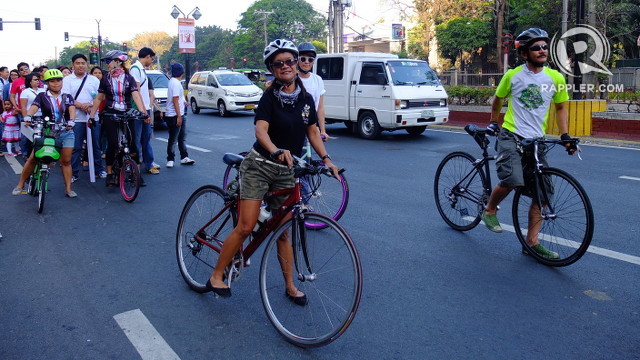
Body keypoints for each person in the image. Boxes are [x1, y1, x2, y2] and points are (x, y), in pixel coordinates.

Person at [206, 39, 339, 303]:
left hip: (287, 168)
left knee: (283, 231)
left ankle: (290, 286)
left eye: (290, 61)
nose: (286, 66)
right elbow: (260, 130)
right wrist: (276, 149)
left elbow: (312, 130)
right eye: (279, 64)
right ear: (272, 69)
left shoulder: (305, 97)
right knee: (246, 226)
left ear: (297, 62)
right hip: (260, 166)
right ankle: (216, 275)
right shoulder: (269, 97)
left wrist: (327, 160)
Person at [482, 28, 577, 259]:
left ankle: (531, 243)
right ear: (525, 53)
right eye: (536, 47)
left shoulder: (555, 77)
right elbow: (498, 100)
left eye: (544, 46)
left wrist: (565, 135)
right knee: (512, 179)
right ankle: (490, 209)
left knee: (543, 193)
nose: (542, 50)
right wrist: (494, 122)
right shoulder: (513, 75)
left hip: (536, 141)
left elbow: (561, 107)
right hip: (511, 135)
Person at [13, 69, 77, 197]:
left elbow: (72, 110)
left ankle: (68, 189)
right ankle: (20, 185)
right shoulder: (42, 96)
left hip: (65, 131)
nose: (56, 84)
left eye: (58, 80)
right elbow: (33, 108)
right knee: (33, 158)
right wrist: (28, 116)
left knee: (66, 161)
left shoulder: (67, 96)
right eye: (52, 81)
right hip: (46, 131)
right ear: (47, 83)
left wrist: (71, 121)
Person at [88, 50, 148, 187]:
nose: (107, 65)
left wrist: (142, 112)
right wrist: (92, 116)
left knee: (133, 145)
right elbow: (99, 98)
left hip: (126, 112)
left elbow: (136, 95)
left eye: (109, 61)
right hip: (110, 113)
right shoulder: (105, 79)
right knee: (113, 143)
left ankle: (137, 174)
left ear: (118, 62)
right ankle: (110, 173)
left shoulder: (129, 78)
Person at [63, 54, 106, 182]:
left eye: (83, 63)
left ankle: (99, 170)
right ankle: (74, 172)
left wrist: (91, 104)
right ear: (73, 65)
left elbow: (101, 97)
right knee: (76, 147)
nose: (80, 65)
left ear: (87, 65)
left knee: (95, 145)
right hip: (76, 119)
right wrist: (81, 106)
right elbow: (66, 97)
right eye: (77, 63)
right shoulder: (67, 80)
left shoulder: (94, 80)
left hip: (93, 117)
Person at [130, 47, 160, 175]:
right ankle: (134, 165)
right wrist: (143, 112)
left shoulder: (142, 70)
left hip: (145, 108)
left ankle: (149, 163)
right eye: (151, 59)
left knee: (146, 138)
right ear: (147, 56)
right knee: (136, 140)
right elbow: (136, 93)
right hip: (139, 111)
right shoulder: (135, 69)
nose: (151, 62)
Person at [164, 63, 195, 167]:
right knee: (174, 138)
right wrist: (178, 116)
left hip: (176, 113)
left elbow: (178, 97)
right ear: (182, 72)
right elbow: (175, 100)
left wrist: (184, 102)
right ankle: (170, 159)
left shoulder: (172, 81)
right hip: (174, 115)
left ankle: (184, 157)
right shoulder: (176, 83)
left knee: (181, 137)